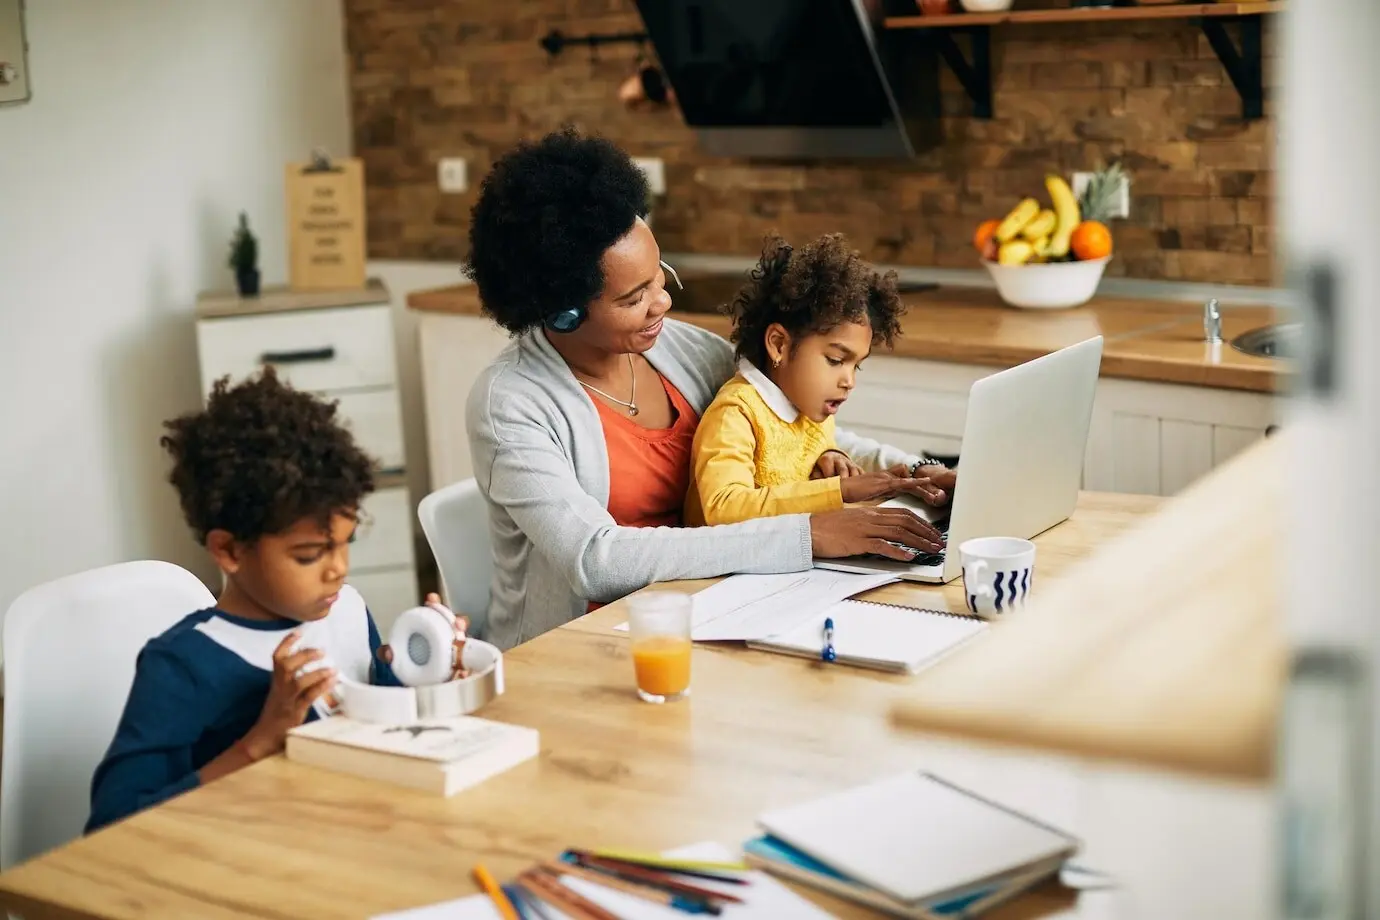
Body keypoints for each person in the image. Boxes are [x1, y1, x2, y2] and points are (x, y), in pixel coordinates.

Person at [464, 127, 946, 650]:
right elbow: (593, 560)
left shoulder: (683, 350)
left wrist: (917, 474)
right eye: (633, 298)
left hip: (714, 612)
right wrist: (810, 533)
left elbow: (793, 427)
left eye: (660, 276)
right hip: (579, 651)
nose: (663, 303)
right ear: (562, 311)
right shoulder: (511, 406)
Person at [86, 369, 433, 832]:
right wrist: (263, 738)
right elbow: (110, 828)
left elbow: (382, 731)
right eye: (310, 554)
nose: (339, 568)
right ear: (228, 551)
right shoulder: (183, 666)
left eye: (346, 542)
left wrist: (425, 671)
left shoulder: (345, 608)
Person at [686, 233, 958, 526]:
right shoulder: (737, 413)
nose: (849, 381)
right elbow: (724, 507)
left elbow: (802, 459)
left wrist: (833, 455)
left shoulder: (810, 406)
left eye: (857, 366)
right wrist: (837, 490)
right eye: (835, 360)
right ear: (779, 344)